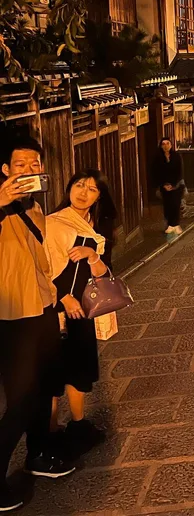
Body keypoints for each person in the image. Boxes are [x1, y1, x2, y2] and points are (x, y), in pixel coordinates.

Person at [0, 138, 75, 511]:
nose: (29, 171)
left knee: (45, 387)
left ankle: (38, 454)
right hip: (12, 314)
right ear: (5, 170)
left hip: (43, 306)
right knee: (20, 399)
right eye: (20, 165)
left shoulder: (34, 206)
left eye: (34, 164)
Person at [45, 170, 114, 455]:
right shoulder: (53, 223)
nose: (83, 193)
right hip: (54, 309)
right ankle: (49, 430)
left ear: (99, 196)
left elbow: (104, 273)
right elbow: (43, 268)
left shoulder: (99, 227)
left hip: (84, 309)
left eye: (92, 189)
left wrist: (92, 255)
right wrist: (64, 297)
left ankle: (78, 422)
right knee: (52, 373)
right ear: (69, 188)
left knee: (80, 368)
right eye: (79, 185)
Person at [152, 137, 184, 235]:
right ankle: (170, 224)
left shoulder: (176, 156)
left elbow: (180, 171)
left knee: (175, 204)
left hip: (176, 185)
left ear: (171, 145)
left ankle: (176, 224)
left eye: (167, 143)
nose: (166, 146)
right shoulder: (158, 158)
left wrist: (173, 184)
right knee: (167, 205)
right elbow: (156, 172)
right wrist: (163, 184)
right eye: (163, 144)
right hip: (164, 186)